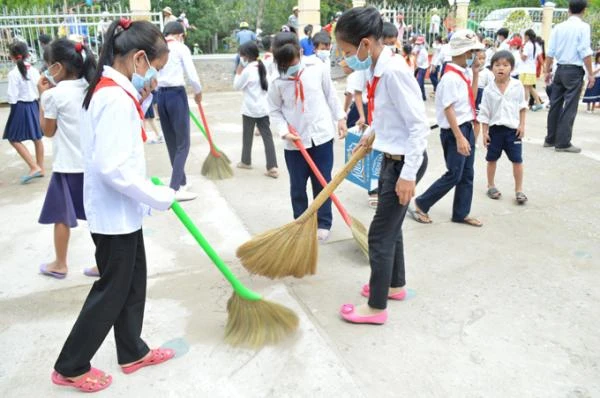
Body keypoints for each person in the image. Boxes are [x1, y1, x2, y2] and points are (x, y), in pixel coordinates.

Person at [51, 19, 176, 393]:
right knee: (112, 290)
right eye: (154, 67)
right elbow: (112, 168)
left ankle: (132, 350)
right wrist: (161, 197)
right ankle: (70, 365)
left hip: (121, 213)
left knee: (132, 282)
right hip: (114, 214)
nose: (154, 75)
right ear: (139, 59)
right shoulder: (113, 98)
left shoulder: (112, 91)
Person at [335, 7, 429, 325]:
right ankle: (394, 285)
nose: (345, 58)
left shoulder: (394, 72)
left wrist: (408, 176)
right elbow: (388, 116)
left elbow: (418, 126)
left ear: (365, 43)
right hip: (392, 156)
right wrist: (371, 135)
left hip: (404, 162)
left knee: (379, 236)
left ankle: (376, 307)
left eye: (347, 51)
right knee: (391, 228)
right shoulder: (377, 67)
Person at [268, 32, 347, 243]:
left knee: (322, 182)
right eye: (285, 64)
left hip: (321, 137)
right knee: (297, 186)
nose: (290, 68)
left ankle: (324, 222)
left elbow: (330, 94)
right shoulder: (276, 79)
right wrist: (283, 131)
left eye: (293, 62)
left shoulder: (317, 68)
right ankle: (301, 223)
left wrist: (340, 118)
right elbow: (274, 110)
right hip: (294, 142)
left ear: (301, 52)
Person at [37, 38, 100, 280]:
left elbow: (48, 131)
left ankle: (60, 263)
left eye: (48, 65)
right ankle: (103, 262)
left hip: (67, 167)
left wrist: (42, 98)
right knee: (95, 216)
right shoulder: (91, 87)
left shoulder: (54, 95)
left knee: (61, 217)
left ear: (57, 68)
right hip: (92, 166)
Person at [412, 29, 483, 227]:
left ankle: (461, 213)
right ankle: (421, 203)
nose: (474, 57)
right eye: (471, 53)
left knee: (467, 173)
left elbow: (472, 98)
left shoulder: (465, 73)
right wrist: (460, 137)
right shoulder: (450, 78)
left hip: (465, 127)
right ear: (461, 53)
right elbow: (449, 109)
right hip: (455, 131)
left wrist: (476, 74)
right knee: (454, 173)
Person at [156, 21, 202, 201]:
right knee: (183, 143)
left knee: (171, 142)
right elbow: (192, 75)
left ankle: (181, 181)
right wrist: (198, 92)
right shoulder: (181, 48)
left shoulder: (157, 47)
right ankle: (174, 188)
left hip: (160, 96)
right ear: (179, 34)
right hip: (176, 95)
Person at [544, 0, 595, 153]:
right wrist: (591, 73)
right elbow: (585, 51)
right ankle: (563, 142)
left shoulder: (559, 27)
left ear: (568, 10)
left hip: (559, 68)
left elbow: (550, 51)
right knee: (570, 106)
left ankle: (550, 138)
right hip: (574, 70)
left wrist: (547, 71)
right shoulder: (583, 27)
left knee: (555, 104)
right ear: (584, 10)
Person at [479, 51, 528, 204]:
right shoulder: (488, 89)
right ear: (491, 68)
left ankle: (519, 190)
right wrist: (484, 132)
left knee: (517, 160)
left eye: (505, 65)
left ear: (511, 68)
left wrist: (522, 125)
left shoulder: (517, 85)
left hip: (512, 131)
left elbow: (522, 106)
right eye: (497, 65)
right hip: (495, 131)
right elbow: (485, 112)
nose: (501, 68)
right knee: (492, 158)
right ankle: (491, 185)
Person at [234, 41, 279, 178]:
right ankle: (272, 167)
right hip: (263, 108)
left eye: (241, 55)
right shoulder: (262, 66)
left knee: (247, 136)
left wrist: (237, 72)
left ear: (246, 56)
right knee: (267, 137)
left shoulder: (247, 71)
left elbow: (237, 86)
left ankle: (246, 161)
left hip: (249, 109)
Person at [3, 41, 44, 184]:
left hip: (20, 107)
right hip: (34, 105)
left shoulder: (13, 74)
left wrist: (13, 112)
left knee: (13, 137)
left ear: (12, 57)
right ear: (27, 54)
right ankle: (40, 167)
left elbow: (12, 97)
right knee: (37, 137)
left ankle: (34, 166)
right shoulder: (34, 71)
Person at [520, 29, 544, 111]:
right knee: (530, 87)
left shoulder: (528, 45)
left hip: (526, 69)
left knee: (525, 88)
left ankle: (525, 104)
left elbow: (524, 58)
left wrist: (520, 52)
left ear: (527, 36)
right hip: (532, 69)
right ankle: (538, 103)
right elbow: (540, 56)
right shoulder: (536, 45)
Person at [474, 50, 493, 143]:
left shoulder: (487, 73)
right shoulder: (470, 70)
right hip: (471, 95)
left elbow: (491, 87)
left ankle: (474, 140)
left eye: (483, 58)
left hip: (480, 98)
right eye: (479, 58)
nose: (481, 61)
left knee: (477, 121)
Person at [414, 36, 429, 101]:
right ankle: (423, 97)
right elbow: (414, 50)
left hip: (422, 67)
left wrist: (415, 66)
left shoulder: (423, 52)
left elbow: (419, 62)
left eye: (419, 44)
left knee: (419, 82)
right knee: (421, 83)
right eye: (417, 44)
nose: (418, 45)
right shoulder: (419, 49)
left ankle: (419, 97)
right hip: (419, 67)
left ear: (422, 43)